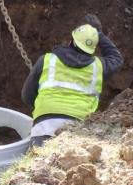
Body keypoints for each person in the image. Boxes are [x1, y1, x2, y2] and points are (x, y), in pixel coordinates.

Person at [22, 14, 123, 147]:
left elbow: (27, 96)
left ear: (72, 40)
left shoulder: (47, 60)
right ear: (93, 48)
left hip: (44, 126)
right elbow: (116, 58)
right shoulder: (98, 67)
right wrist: (98, 34)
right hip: (79, 129)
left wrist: (45, 106)